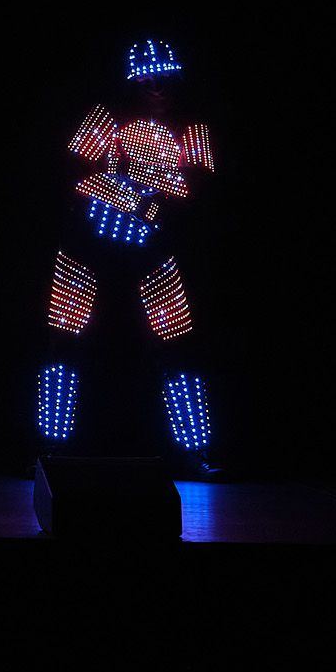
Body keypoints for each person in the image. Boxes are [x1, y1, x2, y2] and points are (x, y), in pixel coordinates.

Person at [37, 38, 221, 476]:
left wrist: (125, 178)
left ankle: (196, 451)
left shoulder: (191, 129)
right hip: (84, 250)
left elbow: (198, 189)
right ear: (130, 82)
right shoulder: (105, 118)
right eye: (146, 80)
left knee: (177, 349)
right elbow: (72, 174)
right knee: (64, 346)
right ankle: (49, 450)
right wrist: (141, 196)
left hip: (153, 255)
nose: (157, 88)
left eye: (164, 79)